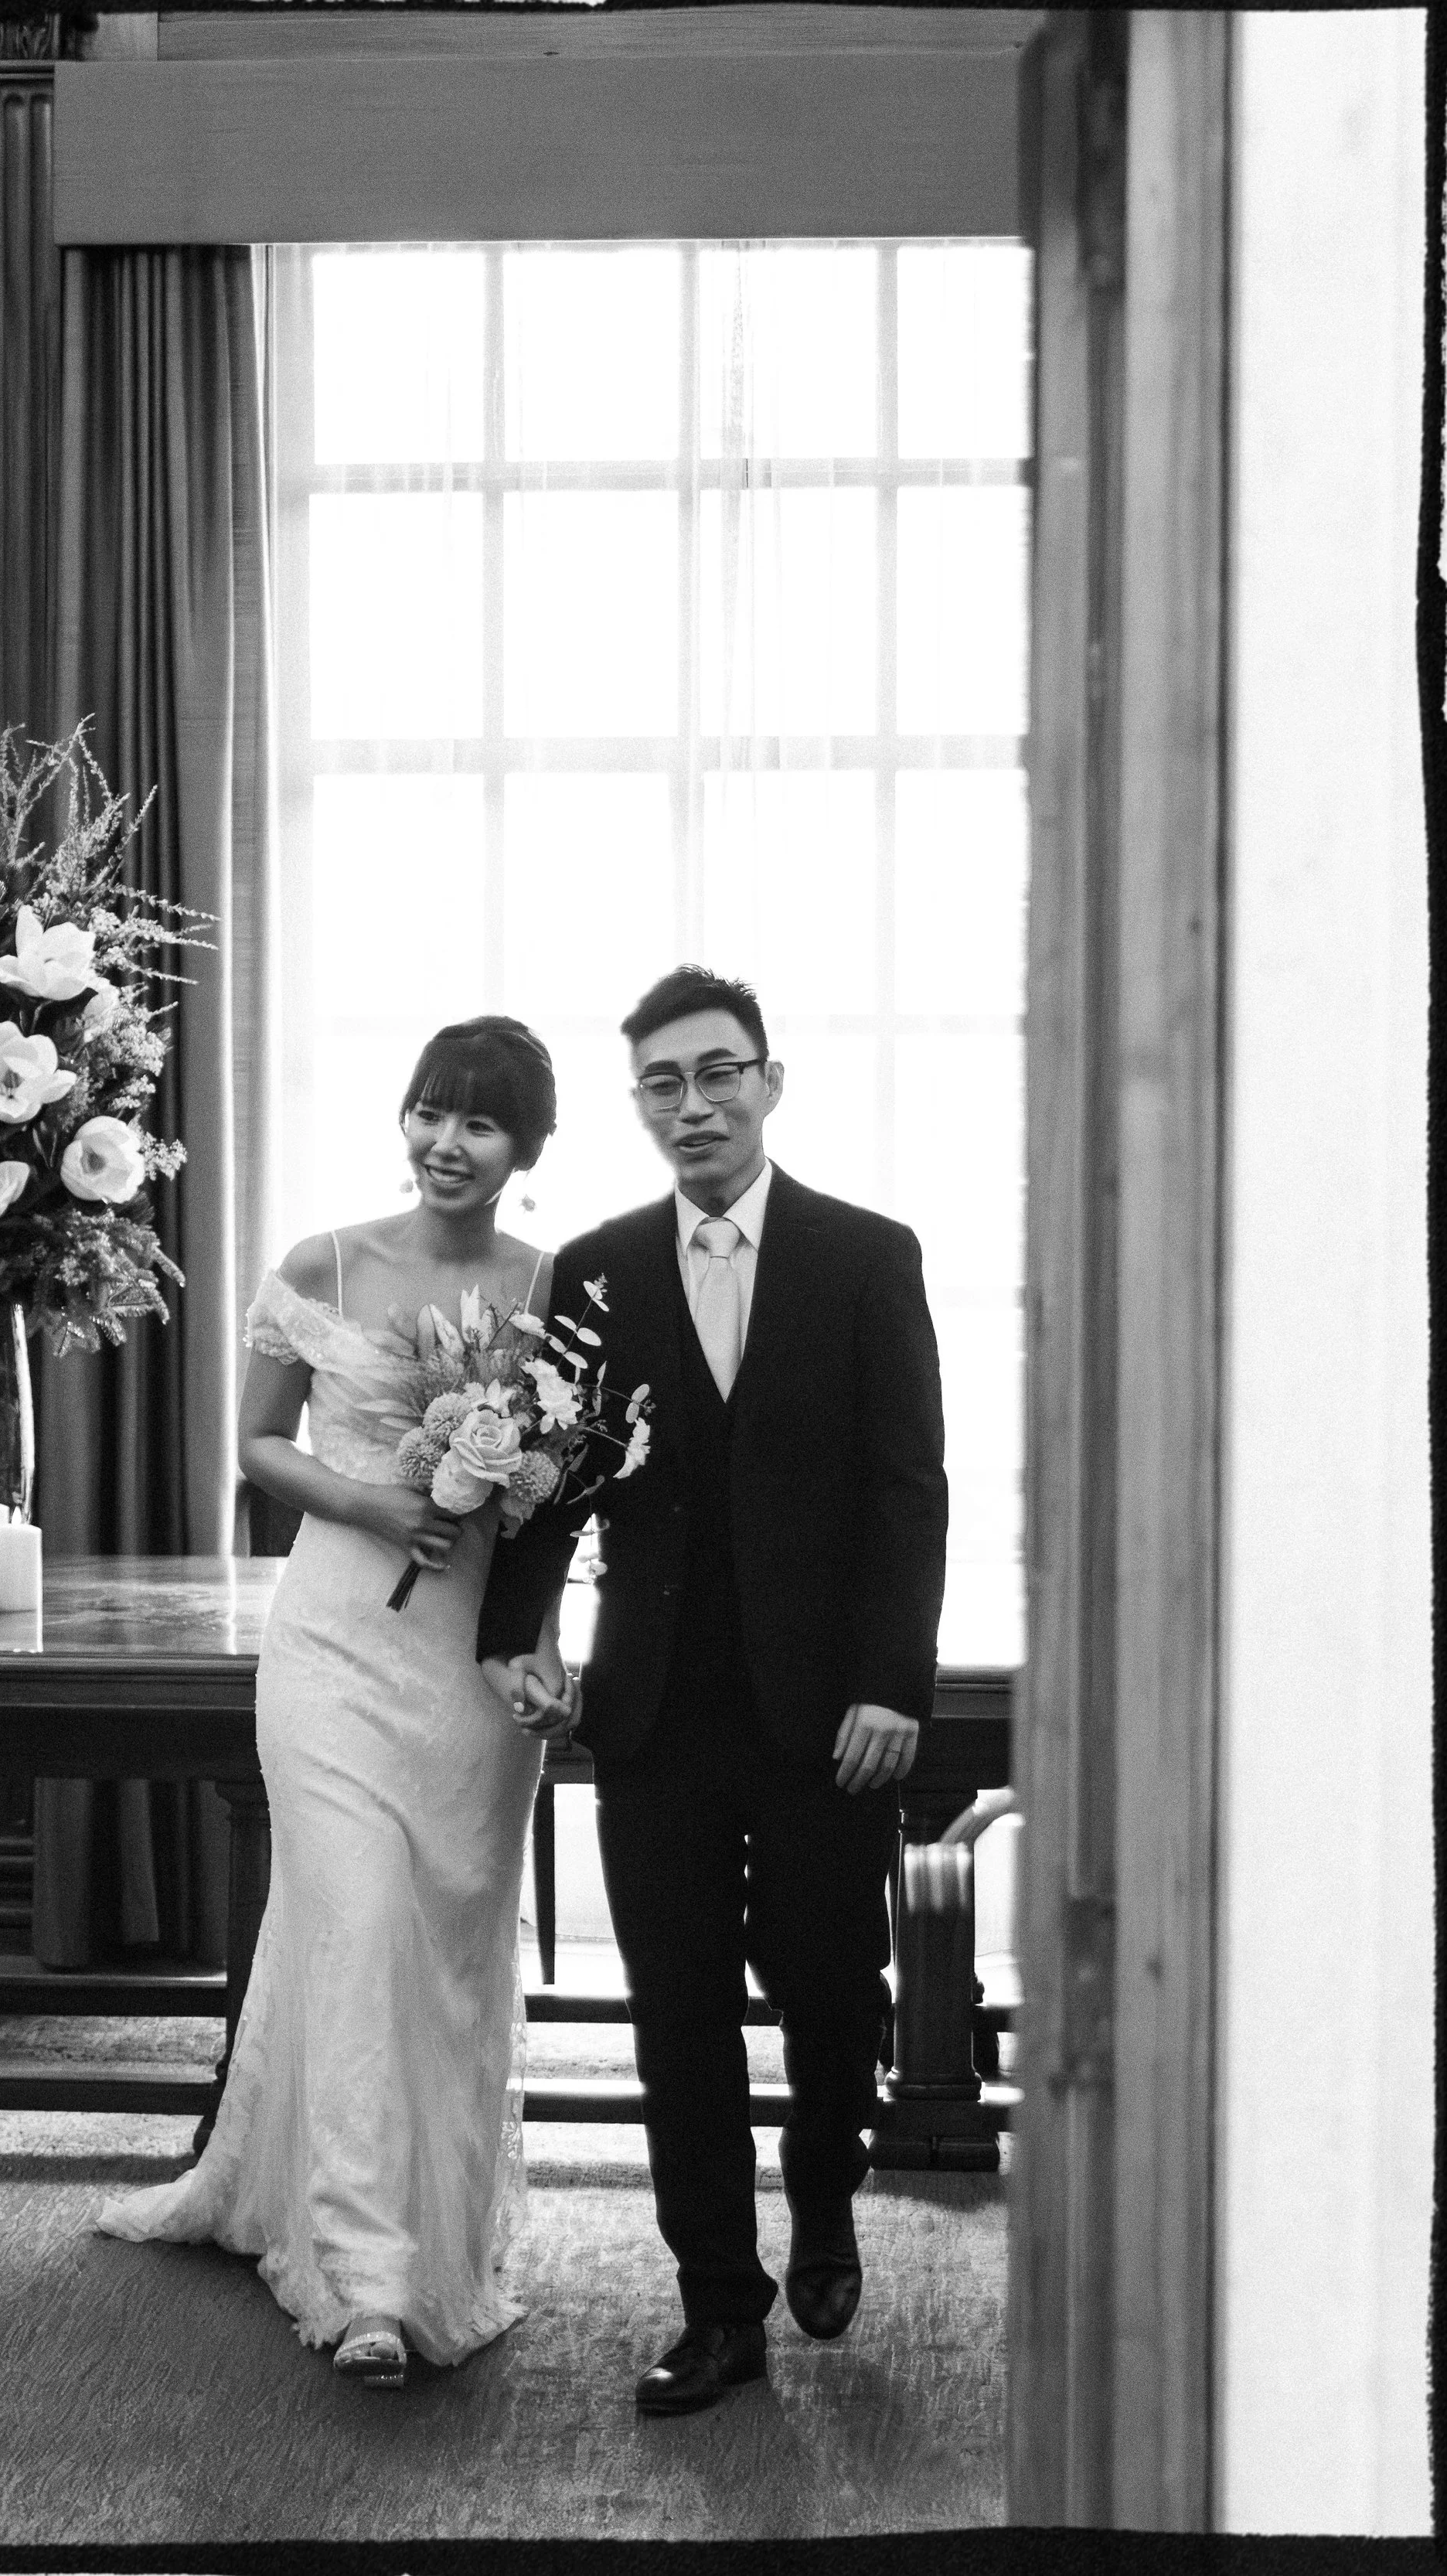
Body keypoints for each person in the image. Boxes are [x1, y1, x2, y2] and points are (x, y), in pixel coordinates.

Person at [476, 964, 947, 2418]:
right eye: (664, 1084)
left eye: (718, 1073)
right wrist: (518, 1634)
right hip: (655, 1709)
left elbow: (907, 1489)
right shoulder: (596, 1269)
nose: (695, 1104)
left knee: (831, 1991)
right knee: (675, 2018)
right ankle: (719, 2308)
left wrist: (891, 1682)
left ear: (768, 1082)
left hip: (827, 1718)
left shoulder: (869, 1256)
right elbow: (550, 1478)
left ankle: (824, 2185)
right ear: (640, 1106)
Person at [97, 1015, 573, 2387]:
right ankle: (368, 2281)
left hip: (470, 1667)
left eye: (481, 1122)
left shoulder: (553, 1288)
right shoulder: (326, 1264)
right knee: (356, 1920)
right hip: (331, 1652)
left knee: (445, 1949)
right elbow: (256, 1442)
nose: (446, 1142)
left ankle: (435, 2237)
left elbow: (557, 1509)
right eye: (431, 1110)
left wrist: (542, 1648)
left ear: (528, 1149)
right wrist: (371, 1499)